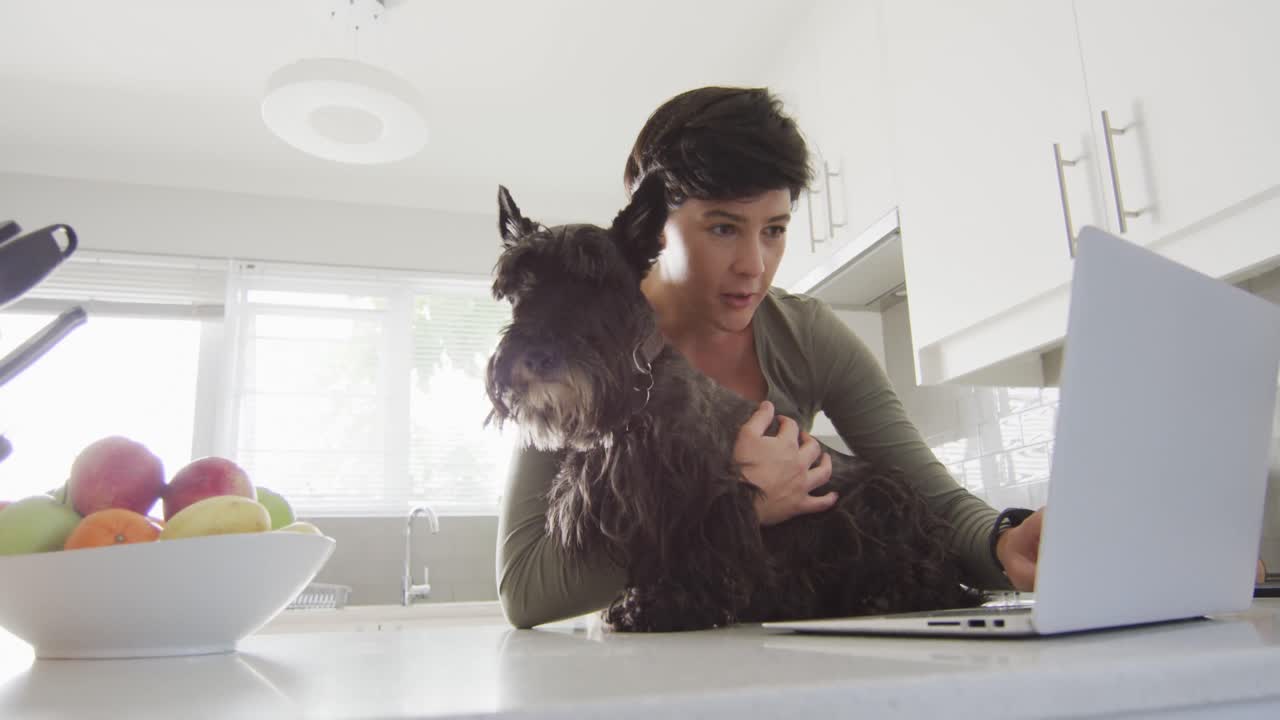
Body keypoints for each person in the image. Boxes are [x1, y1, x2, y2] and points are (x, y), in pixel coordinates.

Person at [495, 86, 1043, 629]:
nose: (754, 265)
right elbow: (525, 591)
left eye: (774, 230)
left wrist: (1005, 542)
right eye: (723, 227)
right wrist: (739, 508)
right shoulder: (568, 353)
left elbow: (931, 497)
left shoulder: (805, 335)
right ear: (652, 224)